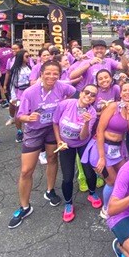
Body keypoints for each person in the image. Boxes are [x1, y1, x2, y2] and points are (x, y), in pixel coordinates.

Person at [8, 61, 76, 229]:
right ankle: (24, 206)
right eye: (48, 73)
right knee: (26, 170)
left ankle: (50, 190)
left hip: (53, 129)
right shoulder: (30, 92)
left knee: (52, 159)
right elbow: (20, 116)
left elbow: (77, 96)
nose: (52, 76)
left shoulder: (62, 87)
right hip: (34, 131)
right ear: (41, 74)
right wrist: (27, 118)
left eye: (55, 73)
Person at [83, 81, 129, 220]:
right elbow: (100, 130)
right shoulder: (113, 106)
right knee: (112, 181)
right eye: (124, 90)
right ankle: (107, 208)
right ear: (120, 93)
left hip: (117, 149)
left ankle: (121, 204)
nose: (127, 93)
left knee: (125, 175)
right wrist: (102, 157)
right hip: (101, 148)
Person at [53, 84, 102, 222]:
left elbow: (83, 136)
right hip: (65, 145)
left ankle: (92, 193)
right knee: (67, 177)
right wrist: (58, 141)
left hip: (82, 144)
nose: (89, 96)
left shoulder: (91, 113)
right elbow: (55, 122)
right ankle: (68, 203)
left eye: (93, 95)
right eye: (87, 92)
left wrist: (86, 123)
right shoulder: (66, 104)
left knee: (89, 172)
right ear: (80, 93)